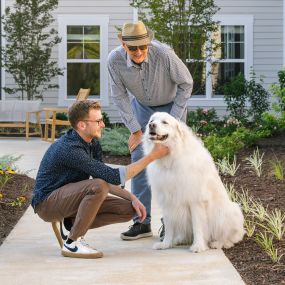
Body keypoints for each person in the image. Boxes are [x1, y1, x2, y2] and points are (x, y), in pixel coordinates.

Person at [31, 100, 169, 259]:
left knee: (129, 209)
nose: (103, 124)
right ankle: (73, 243)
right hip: (47, 204)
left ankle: (71, 224)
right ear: (82, 125)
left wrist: (133, 198)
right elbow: (111, 177)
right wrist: (152, 156)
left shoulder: (92, 143)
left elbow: (103, 178)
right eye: (98, 121)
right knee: (97, 186)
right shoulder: (69, 148)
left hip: (70, 198)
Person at [108, 21, 193, 240]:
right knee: (139, 157)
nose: (138, 52)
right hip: (143, 108)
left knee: (172, 163)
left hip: (171, 107)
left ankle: (170, 223)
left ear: (148, 43)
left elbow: (186, 83)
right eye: (133, 48)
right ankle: (142, 222)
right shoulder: (115, 60)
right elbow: (119, 96)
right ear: (124, 45)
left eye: (142, 47)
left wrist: (172, 121)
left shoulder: (164, 54)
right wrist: (135, 130)